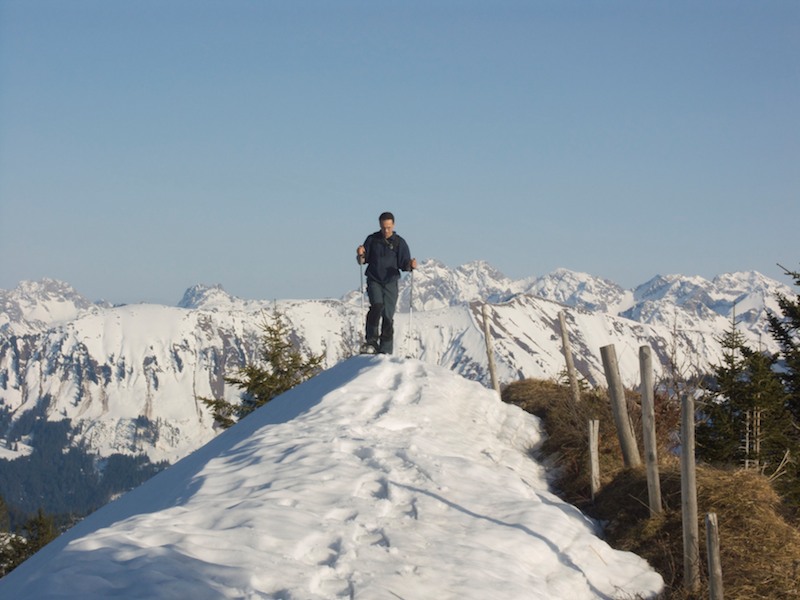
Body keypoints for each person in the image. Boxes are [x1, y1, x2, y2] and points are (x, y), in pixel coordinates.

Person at [356, 212, 417, 354]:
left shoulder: (399, 243)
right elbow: (363, 260)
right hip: (374, 279)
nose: (386, 231)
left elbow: (404, 264)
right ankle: (371, 342)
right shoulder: (372, 239)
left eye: (388, 227)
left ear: (393, 225)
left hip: (391, 282)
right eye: (384, 228)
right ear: (380, 225)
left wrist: (410, 265)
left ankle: (386, 349)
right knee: (377, 307)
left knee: (388, 315)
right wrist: (360, 254)